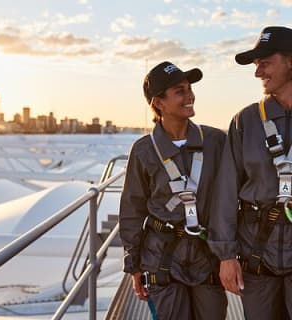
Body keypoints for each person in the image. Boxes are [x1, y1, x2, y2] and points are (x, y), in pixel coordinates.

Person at [119, 61, 227, 319]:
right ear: (158, 103)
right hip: (161, 258)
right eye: (180, 91)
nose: (190, 96)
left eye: (189, 88)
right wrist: (133, 266)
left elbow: (230, 197)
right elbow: (132, 210)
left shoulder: (215, 141)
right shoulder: (143, 151)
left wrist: (229, 254)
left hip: (207, 256)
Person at [208, 26, 292, 319]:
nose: (258, 73)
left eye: (265, 62)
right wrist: (226, 256)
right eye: (256, 65)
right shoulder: (246, 121)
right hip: (257, 258)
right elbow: (226, 191)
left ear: (290, 60)